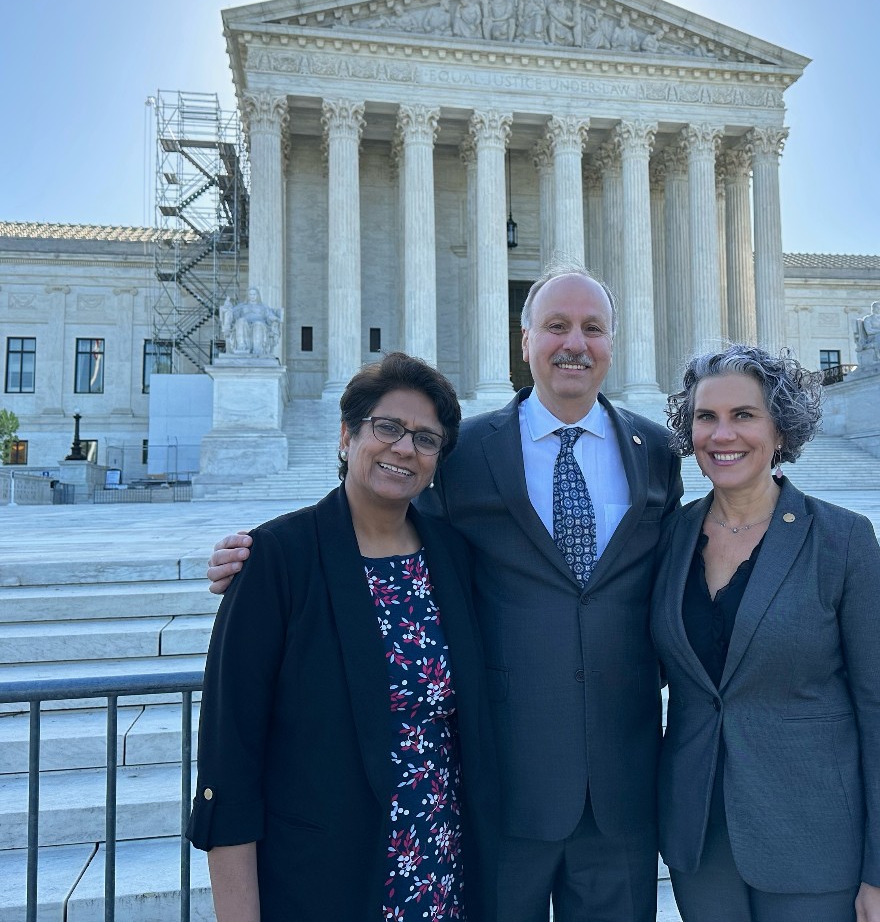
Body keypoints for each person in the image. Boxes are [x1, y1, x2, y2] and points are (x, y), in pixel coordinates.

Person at [208, 264, 684, 922]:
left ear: (612, 341)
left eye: (592, 328)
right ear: (525, 341)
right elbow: (378, 511)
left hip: (620, 795)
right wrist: (263, 559)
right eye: (555, 326)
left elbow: (679, 572)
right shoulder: (467, 453)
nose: (574, 342)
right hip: (499, 791)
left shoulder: (656, 449)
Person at [188, 352, 498, 921]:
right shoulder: (276, 561)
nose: (404, 448)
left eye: (426, 439)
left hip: (441, 871)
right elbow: (229, 762)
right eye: (388, 427)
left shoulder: (453, 557)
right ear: (346, 435)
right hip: (323, 878)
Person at [651, 344, 880, 922]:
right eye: (706, 417)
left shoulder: (842, 540)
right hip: (700, 841)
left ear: (780, 428)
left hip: (815, 839)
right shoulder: (669, 538)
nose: (722, 434)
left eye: (743, 415)